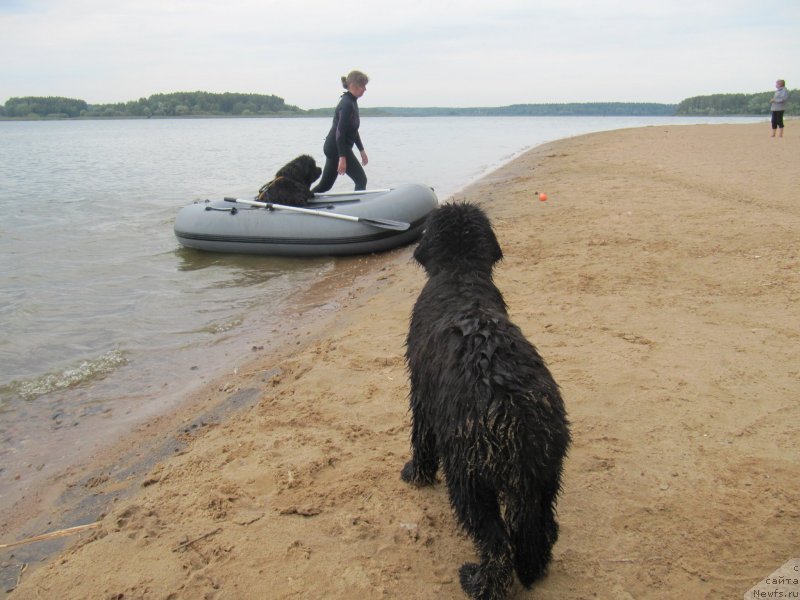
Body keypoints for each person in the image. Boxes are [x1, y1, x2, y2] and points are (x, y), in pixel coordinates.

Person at [311, 70, 369, 193]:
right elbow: (340, 131)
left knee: (325, 185)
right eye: (363, 86)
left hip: (335, 147)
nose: (365, 89)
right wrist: (342, 157)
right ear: (353, 85)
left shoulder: (352, 101)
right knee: (361, 180)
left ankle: (305, 199)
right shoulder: (347, 103)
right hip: (336, 148)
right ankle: (360, 205)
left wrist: (361, 150)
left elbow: (353, 129)